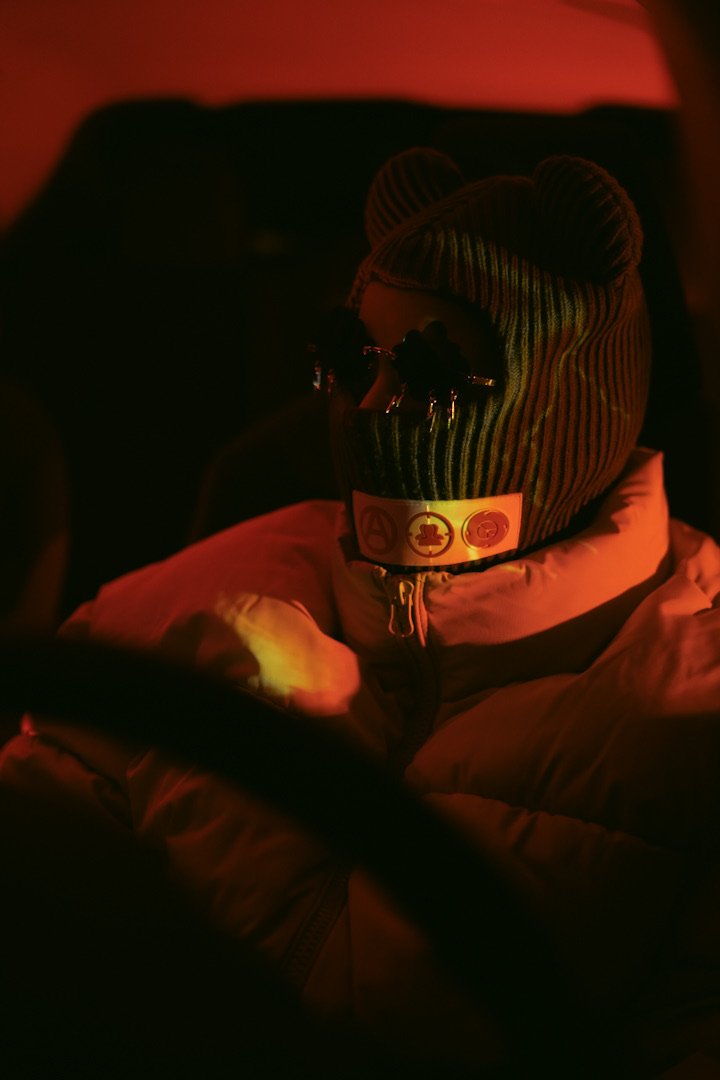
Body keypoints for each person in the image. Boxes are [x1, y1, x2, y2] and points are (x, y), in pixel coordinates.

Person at [2, 148, 719, 1076]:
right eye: (351, 359)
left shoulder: (690, 708)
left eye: (430, 371)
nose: (373, 406)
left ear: (563, 393)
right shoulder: (184, 599)